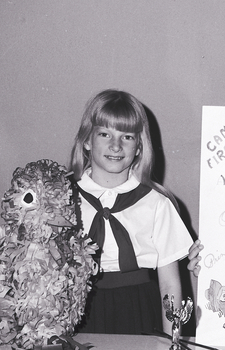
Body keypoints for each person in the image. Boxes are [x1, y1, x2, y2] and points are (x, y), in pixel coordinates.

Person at [70, 89, 194, 335]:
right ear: (87, 140)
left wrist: (172, 342)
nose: (115, 145)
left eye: (127, 137)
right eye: (104, 134)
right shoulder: (61, 198)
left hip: (138, 307)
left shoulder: (156, 203)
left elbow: (169, 284)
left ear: (139, 146)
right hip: (75, 305)